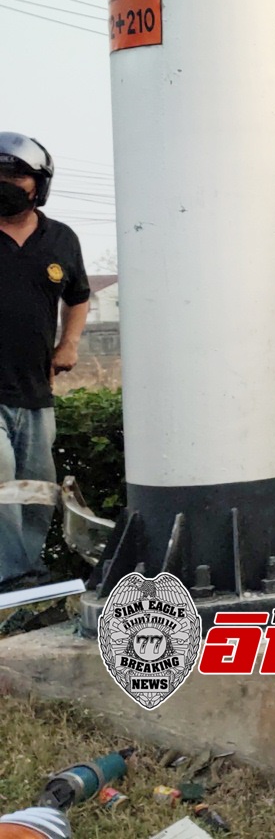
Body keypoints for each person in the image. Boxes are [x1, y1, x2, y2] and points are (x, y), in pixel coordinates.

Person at [0, 133, 89, 589]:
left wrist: (69, 344)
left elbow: (78, 296)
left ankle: (26, 575)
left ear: (39, 184)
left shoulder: (61, 239)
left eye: (16, 175)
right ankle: (11, 576)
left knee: (35, 489)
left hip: (36, 389)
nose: (6, 183)